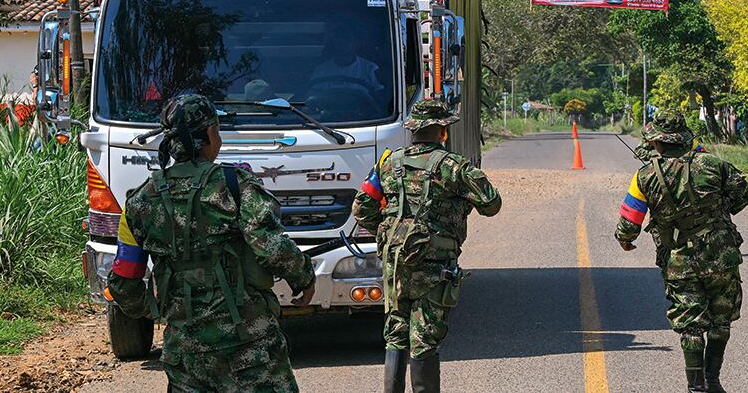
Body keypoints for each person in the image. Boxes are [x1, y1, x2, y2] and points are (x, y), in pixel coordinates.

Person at [107, 94, 316, 392]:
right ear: (209, 134)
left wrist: (159, 312)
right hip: (250, 348)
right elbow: (271, 246)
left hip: (185, 357)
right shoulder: (235, 185)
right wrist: (305, 278)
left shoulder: (139, 202)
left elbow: (123, 282)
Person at [352, 99, 502, 393]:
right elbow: (491, 204)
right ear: (441, 131)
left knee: (396, 334)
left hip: (395, 261)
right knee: (425, 339)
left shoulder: (388, 163)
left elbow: (362, 208)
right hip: (434, 264)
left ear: (413, 131)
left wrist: (387, 233)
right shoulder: (453, 167)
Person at [614, 110, 748, 393]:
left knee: (690, 325)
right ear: (684, 139)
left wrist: (626, 241)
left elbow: (629, 224)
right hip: (721, 257)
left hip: (679, 261)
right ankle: (714, 381)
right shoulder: (714, 164)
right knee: (720, 320)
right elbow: (743, 194)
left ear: (657, 142)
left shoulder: (644, 176)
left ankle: (696, 388)